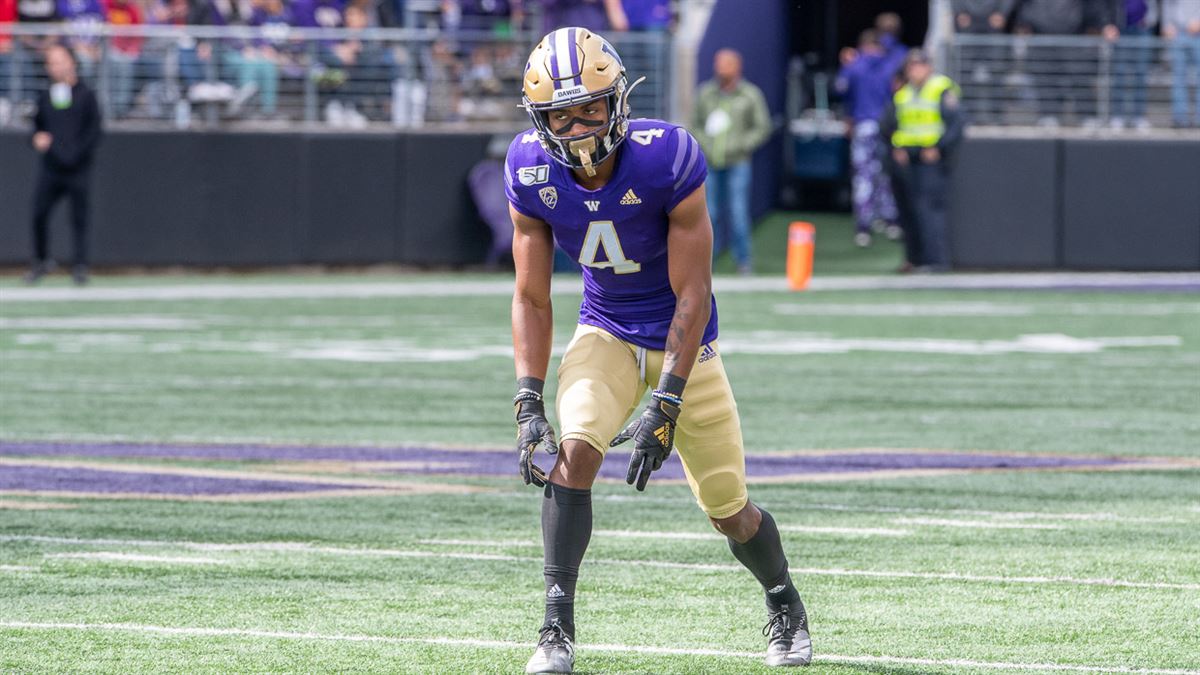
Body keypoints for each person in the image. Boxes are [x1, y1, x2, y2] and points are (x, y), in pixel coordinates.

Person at [506, 27, 811, 674]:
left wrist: (668, 398)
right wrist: (527, 396)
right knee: (576, 446)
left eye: (591, 105)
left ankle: (783, 598)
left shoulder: (666, 157)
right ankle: (555, 627)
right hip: (607, 329)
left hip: (684, 343)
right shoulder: (527, 169)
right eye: (563, 113)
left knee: (729, 509)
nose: (580, 124)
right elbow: (531, 297)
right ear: (541, 119)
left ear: (618, 98)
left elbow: (694, 294)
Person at [880, 49, 966, 272]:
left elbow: (956, 125)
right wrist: (896, 147)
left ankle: (935, 260)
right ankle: (914, 259)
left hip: (931, 161)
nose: (915, 71)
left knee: (928, 209)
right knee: (908, 210)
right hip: (907, 159)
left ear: (929, 67)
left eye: (919, 65)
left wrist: (939, 147)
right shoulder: (904, 93)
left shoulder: (941, 90)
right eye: (911, 67)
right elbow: (888, 124)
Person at [26, 44, 102, 285]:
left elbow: (94, 131)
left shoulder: (87, 95)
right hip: (51, 167)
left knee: (79, 217)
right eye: (51, 62)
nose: (55, 66)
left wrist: (76, 154)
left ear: (72, 61)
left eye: (59, 60)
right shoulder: (46, 95)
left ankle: (80, 266)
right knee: (39, 213)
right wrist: (37, 139)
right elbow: (36, 128)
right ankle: (41, 261)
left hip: (78, 167)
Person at [691, 48, 770, 275]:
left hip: (738, 163)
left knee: (738, 213)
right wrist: (704, 142)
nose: (720, 68)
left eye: (726, 63)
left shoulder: (750, 95)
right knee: (709, 214)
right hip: (710, 164)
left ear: (737, 66)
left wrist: (742, 145)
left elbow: (762, 127)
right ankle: (706, 262)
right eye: (718, 63)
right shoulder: (706, 93)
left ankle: (743, 260)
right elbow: (694, 123)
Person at [836, 29, 901, 247]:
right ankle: (889, 220)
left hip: (864, 127)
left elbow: (839, 89)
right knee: (884, 175)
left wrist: (846, 64)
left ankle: (864, 225)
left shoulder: (855, 65)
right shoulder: (891, 64)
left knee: (864, 177)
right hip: (885, 129)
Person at [952, 0, 1014, 123]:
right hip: (968, 24)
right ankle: (967, 115)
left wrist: (1002, 12)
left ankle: (997, 116)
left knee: (997, 72)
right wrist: (959, 11)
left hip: (994, 24)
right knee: (965, 74)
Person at [1109, 0, 1159, 130]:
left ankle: (1139, 117)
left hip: (1142, 29)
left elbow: (1153, 5)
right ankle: (1117, 116)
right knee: (1119, 74)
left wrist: (1149, 21)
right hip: (1121, 29)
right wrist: (1111, 23)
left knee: (1141, 74)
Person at [1163, 0, 1200, 127]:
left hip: (1198, 34)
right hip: (1178, 33)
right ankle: (1180, 118)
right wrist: (1167, 25)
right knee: (1178, 78)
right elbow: (1167, 5)